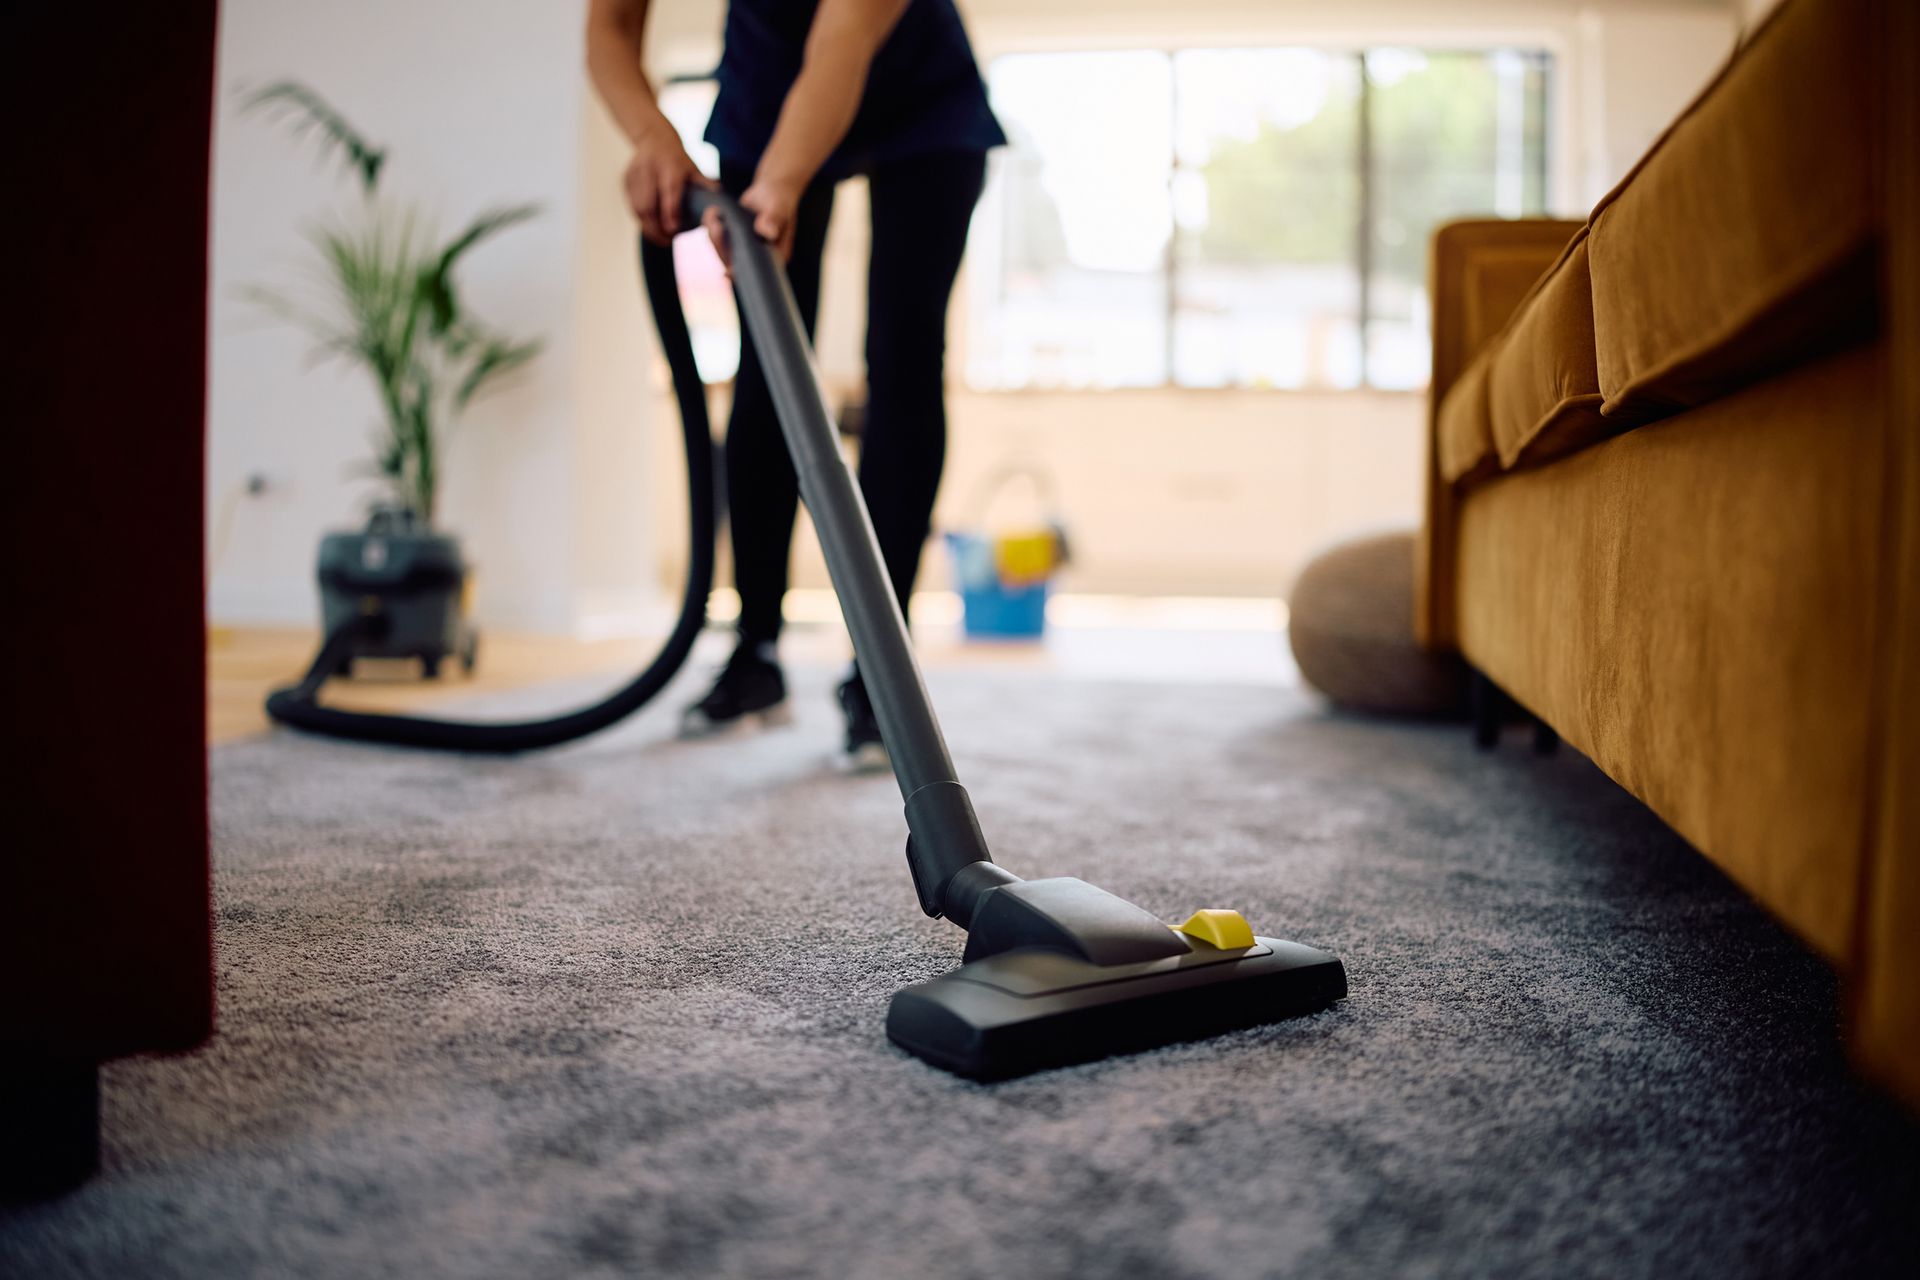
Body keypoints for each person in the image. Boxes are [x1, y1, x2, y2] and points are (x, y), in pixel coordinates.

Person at [587, 0, 1004, 767]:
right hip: (766, 86)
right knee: (769, 368)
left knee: (905, 363)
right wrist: (653, 137)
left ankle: (883, 675)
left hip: (922, 94)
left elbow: (842, 39)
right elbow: (609, 28)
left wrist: (779, 185)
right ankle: (755, 652)